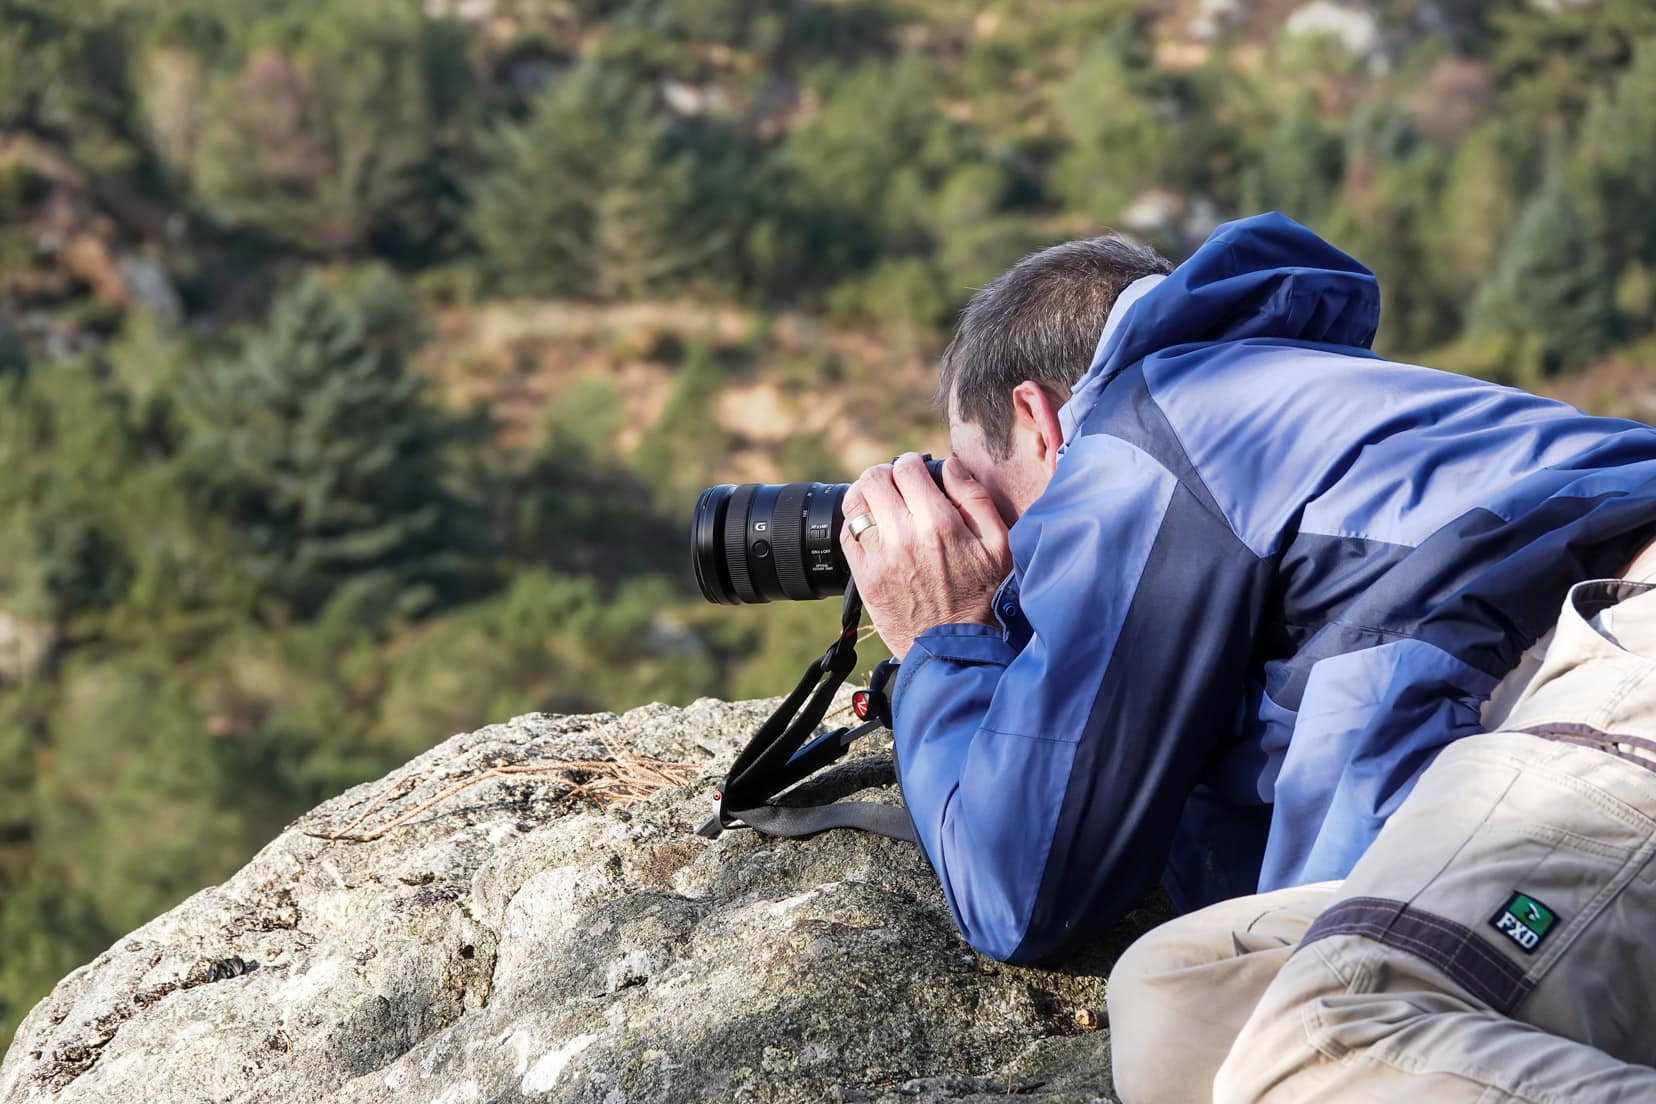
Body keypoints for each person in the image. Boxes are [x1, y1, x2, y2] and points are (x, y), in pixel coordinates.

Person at [837, 212, 1656, 1101]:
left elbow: (1019, 885)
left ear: (1039, 421)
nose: (984, 540)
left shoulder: (1152, 428)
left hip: (1621, 656)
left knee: (1321, 1041)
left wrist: (946, 633)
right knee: (1185, 1010)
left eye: (970, 487)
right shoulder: (1303, 409)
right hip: (1581, 704)